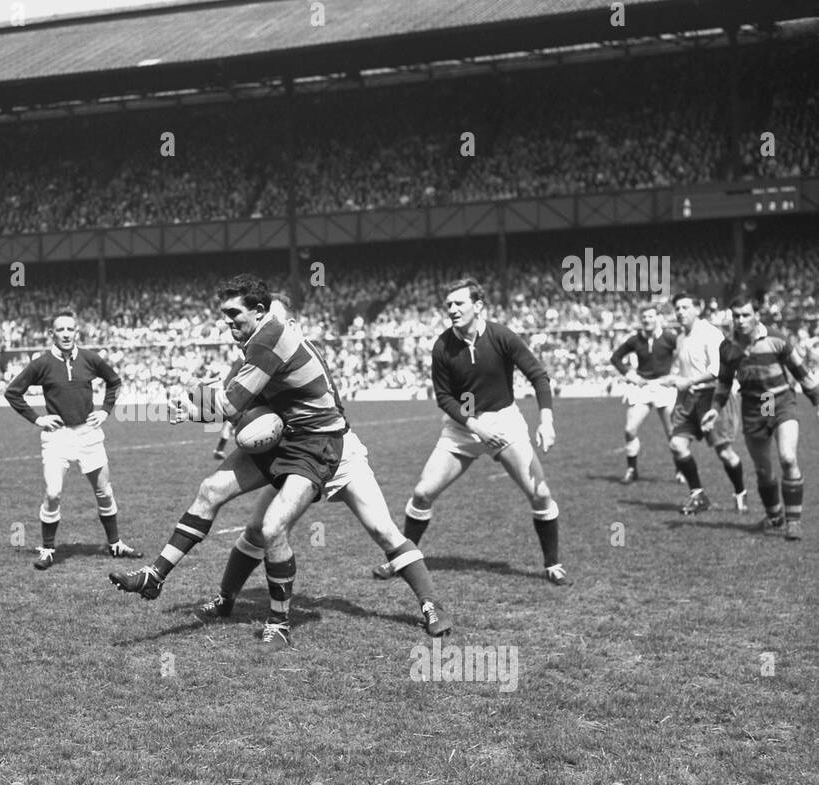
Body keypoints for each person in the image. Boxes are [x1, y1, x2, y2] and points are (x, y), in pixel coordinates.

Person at [110, 276, 347, 652]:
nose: (227, 321)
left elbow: (232, 405)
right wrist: (203, 397)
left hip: (315, 444)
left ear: (259, 311)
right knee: (211, 489)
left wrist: (191, 408)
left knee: (272, 528)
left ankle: (279, 622)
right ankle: (154, 575)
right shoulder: (256, 341)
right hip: (285, 433)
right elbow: (233, 396)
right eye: (224, 314)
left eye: (234, 313)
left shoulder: (269, 338)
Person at [200, 300, 453, 637]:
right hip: (295, 456)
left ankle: (431, 604)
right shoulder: (258, 357)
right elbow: (237, 407)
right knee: (260, 529)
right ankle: (225, 598)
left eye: (273, 320)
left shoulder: (302, 354)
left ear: (289, 323)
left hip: (336, 452)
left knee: (383, 530)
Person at [390, 278, 567, 584]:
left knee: (541, 494)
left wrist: (547, 421)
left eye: (459, 303)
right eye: (448, 305)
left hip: (504, 423)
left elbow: (538, 376)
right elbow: (444, 396)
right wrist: (474, 426)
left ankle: (552, 564)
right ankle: (405, 561)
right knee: (422, 492)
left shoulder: (501, 336)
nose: (452, 310)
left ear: (478, 306)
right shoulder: (443, 346)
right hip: (464, 427)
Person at [3, 308, 141, 570]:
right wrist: (37, 419)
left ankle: (115, 544)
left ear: (77, 332)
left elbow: (114, 381)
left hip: (88, 434)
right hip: (57, 437)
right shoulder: (41, 363)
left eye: (70, 329)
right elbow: (13, 392)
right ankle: (47, 550)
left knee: (104, 491)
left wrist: (105, 410)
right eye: (61, 330)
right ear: (51, 333)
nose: (66, 334)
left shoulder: (90, 358)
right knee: (53, 493)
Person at [701, 293, 819, 539]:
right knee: (764, 470)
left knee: (787, 458)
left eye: (746, 315)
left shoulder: (776, 338)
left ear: (756, 315)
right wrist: (714, 409)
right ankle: (775, 517)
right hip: (756, 406)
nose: (741, 320)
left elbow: (801, 372)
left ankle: (793, 521)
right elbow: (723, 383)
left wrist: (817, 401)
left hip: (780, 401)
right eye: (736, 316)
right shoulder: (729, 347)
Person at [658, 292, 748, 515]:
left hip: (712, 397)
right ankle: (698, 496)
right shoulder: (680, 337)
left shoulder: (710, 333)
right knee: (677, 445)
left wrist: (689, 380)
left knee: (724, 452)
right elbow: (684, 370)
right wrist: (674, 378)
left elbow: (719, 370)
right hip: (688, 398)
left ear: (698, 308)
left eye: (685, 307)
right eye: (677, 308)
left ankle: (740, 493)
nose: (680, 312)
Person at [609, 304, 680, 483]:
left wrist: (675, 375)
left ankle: (681, 470)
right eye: (644, 318)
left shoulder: (670, 338)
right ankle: (632, 470)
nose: (647, 320)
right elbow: (615, 358)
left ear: (658, 318)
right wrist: (629, 374)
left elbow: (683, 354)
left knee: (672, 432)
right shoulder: (635, 340)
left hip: (664, 387)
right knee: (629, 429)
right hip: (643, 386)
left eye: (650, 316)